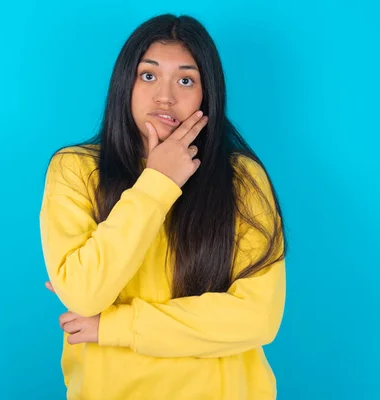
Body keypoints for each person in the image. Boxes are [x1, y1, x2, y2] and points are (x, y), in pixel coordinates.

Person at [39, 13, 288, 400]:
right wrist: (158, 183)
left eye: (185, 80)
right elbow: (85, 295)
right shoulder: (76, 170)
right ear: (125, 84)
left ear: (208, 94)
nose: (165, 96)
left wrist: (112, 326)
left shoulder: (241, 179)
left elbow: (258, 319)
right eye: (148, 75)